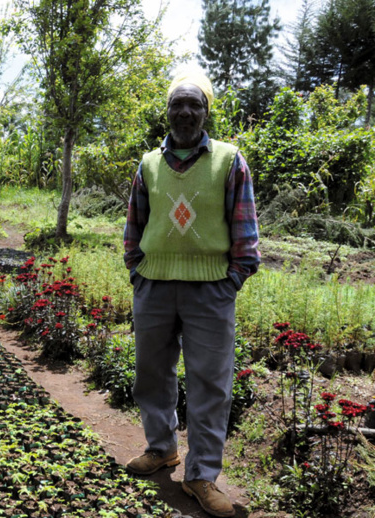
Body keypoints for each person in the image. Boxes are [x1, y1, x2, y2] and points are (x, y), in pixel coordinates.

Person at [122, 72, 260, 518]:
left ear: (206, 112)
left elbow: (245, 233)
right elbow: (134, 226)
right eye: (177, 104)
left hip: (210, 291)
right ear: (167, 111)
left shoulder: (229, 160)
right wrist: (138, 273)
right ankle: (161, 448)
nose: (184, 112)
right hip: (155, 287)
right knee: (152, 374)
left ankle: (201, 475)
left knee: (210, 384)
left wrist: (231, 280)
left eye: (193, 105)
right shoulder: (148, 164)